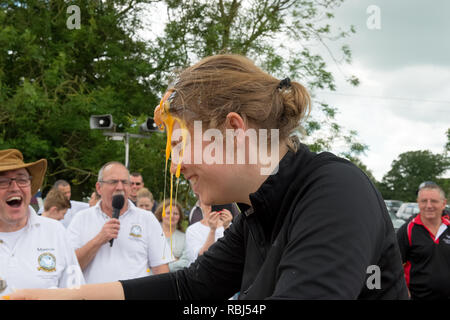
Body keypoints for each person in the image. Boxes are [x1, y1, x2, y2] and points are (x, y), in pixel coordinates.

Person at [6, 54, 408, 300]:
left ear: (234, 131)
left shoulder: (336, 192)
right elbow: (190, 288)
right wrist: (67, 297)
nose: (176, 164)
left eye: (180, 143)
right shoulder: (256, 209)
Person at [65, 161, 171, 284]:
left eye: (125, 182)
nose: (120, 187)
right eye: (113, 182)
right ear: (99, 188)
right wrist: (99, 240)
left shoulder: (147, 219)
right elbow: (69, 267)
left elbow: (161, 268)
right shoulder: (81, 219)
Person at [0, 149, 84, 297]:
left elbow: (77, 292)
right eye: (2, 181)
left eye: (22, 179)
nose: (14, 187)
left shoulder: (55, 232)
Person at [397, 183, 450, 300]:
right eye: (424, 201)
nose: (429, 205)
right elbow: (394, 265)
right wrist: (404, 292)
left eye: (434, 201)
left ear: (443, 203)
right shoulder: (407, 230)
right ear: (418, 203)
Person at [185, 200, 232, 265]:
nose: (210, 207)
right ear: (200, 205)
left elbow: (233, 252)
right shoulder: (192, 230)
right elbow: (201, 256)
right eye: (207, 203)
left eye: (214, 204)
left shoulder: (231, 226)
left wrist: (227, 227)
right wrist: (212, 230)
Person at [154, 199, 190, 272]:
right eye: (168, 213)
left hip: (173, 279)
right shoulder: (151, 233)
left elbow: (185, 262)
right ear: (161, 214)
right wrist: (174, 259)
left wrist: (164, 267)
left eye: (176, 214)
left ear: (180, 217)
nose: (172, 216)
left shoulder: (184, 237)